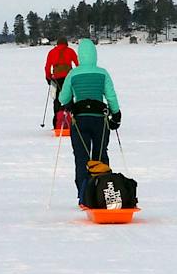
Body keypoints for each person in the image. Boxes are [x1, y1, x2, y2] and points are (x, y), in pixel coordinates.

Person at [56, 38, 121, 206]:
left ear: (80, 55)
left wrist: (70, 101)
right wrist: (117, 115)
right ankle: (104, 194)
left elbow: (63, 98)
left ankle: (84, 196)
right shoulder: (103, 73)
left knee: (81, 158)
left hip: (80, 120)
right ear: (95, 55)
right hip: (100, 119)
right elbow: (111, 96)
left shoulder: (73, 73)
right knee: (100, 156)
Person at [43, 37, 80, 130]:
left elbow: (47, 67)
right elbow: (78, 64)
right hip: (68, 78)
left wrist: (48, 77)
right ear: (66, 43)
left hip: (56, 79)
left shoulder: (52, 52)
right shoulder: (70, 51)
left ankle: (57, 123)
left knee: (57, 100)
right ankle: (71, 121)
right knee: (69, 98)